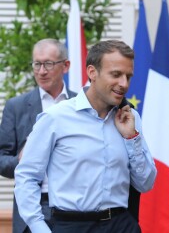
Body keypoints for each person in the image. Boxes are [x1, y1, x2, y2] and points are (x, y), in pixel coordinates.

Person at [14, 39, 157, 233]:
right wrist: (39, 227)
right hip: (71, 225)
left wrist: (132, 138)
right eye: (116, 74)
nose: (124, 84)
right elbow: (27, 177)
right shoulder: (55, 118)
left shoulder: (130, 118)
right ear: (92, 72)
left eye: (128, 76)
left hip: (122, 224)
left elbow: (146, 183)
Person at [0, 38, 77, 233]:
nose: (41, 71)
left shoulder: (80, 105)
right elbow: (1, 161)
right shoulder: (16, 107)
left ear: (65, 66)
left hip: (76, 208)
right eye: (37, 64)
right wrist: (21, 159)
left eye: (48, 64)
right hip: (32, 207)